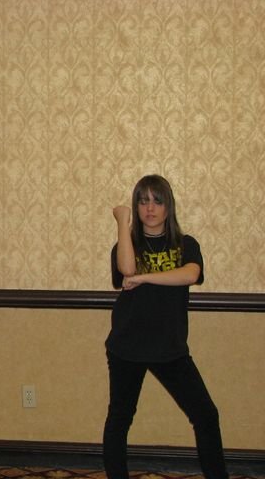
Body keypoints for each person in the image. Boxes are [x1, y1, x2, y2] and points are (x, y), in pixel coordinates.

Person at [103, 174, 228, 479]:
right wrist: (122, 221)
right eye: (143, 201)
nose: (150, 208)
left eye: (157, 201)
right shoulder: (126, 245)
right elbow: (126, 269)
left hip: (170, 348)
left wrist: (144, 278)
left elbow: (190, 275)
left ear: (168, 207)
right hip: (127, 345)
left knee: (205, 415)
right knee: (120, 418)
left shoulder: (185, 244)